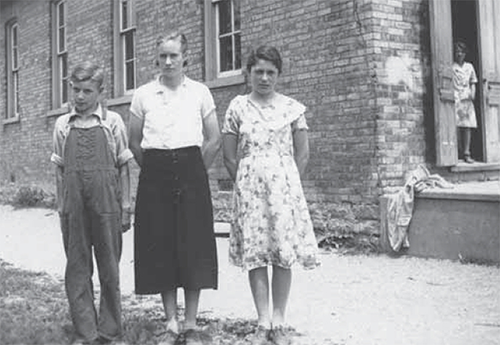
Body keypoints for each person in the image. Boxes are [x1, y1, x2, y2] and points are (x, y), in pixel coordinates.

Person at [222, 45, 320, 345]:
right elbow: (228, 156)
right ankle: (262, 320)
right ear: (249, 73)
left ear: (278, 74)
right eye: (258, 72)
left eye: (270, 72)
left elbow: (302, 155)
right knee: (256, 255)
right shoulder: (237, 107)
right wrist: (248, 183)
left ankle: (279, 320)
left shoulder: (292, 108)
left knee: (281, 255)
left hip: (283, 192)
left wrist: (285, 185)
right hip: (251, 192)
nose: (264, 78)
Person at [129, 31, 220, 345]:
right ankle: (171, 322)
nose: (168, 61)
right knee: (162, 242)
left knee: (193, 243)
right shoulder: (143, 94)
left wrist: (193, 169)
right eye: (163, 56)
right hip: (155, 172)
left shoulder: (200, 92)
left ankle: (191, 322)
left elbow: (213, 138)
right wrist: (157, 170)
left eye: (174, 56)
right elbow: (134, 141)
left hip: (192, 169)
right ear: (157, 59)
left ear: (185, 58)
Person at [51, 62, 133, 345]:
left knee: (109, 268)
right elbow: (60, 170)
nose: (81, 96)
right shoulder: (63, 125)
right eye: (76, 90)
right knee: (77, 267)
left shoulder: (112, 122)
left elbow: (123, 166)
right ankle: (85, 332)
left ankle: (110, 331)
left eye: (87, 90)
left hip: (107, 205)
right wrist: (62, 207)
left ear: (100, 91)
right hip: (74, 207)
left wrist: (125, 206)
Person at [453, 41, 478, 164]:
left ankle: (467, 153)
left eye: (461, 52)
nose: (459, 54)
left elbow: (473, 82)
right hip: (456, 98)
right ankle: (456, 153)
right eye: (457, 51)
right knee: (456, 126)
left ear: (465, 53)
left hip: (467, 99)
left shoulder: (469, 66)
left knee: (467, 126)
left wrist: (473, 93)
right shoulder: (452, 67)